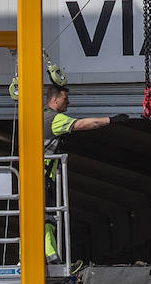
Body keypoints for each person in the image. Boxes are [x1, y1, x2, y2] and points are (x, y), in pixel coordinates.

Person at [43, 85, 128, 262]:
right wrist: (110, 120)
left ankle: (29, 257)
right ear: (55, 99)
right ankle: (52, 258)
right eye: (66, 99)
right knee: (46, 220)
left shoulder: (40, 116)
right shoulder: (54, 119)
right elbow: (81, 124)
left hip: (39, 178)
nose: (69, 103)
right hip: (41, 179)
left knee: (38, 219)